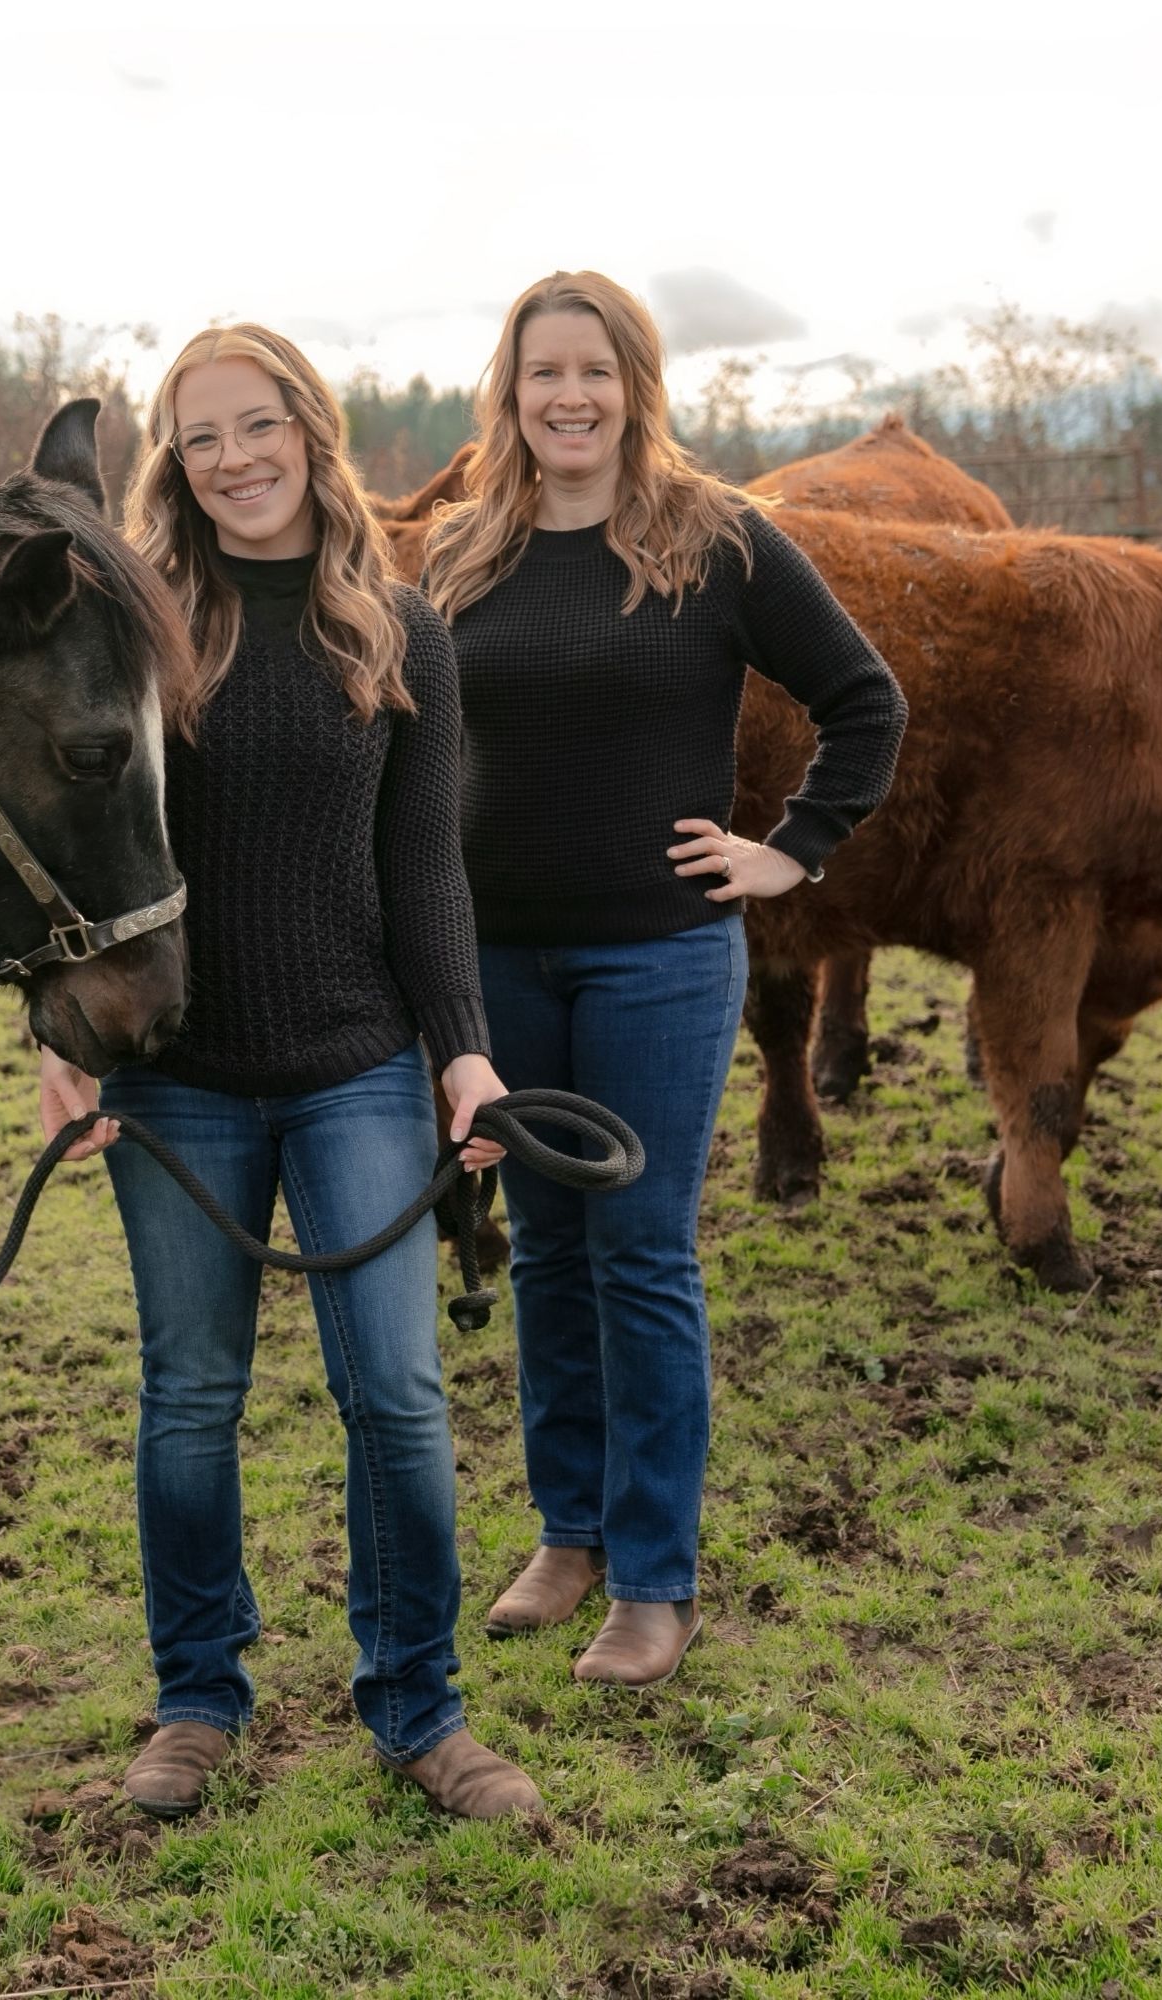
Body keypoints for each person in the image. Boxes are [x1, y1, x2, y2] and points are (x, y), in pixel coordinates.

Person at [39, 324, 540, 1819]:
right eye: (202, 438)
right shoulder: (128, 629)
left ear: (308, 433)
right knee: (188, 1395)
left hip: (354, 1068)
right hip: (175, 1072)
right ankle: (196, 1697)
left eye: (257, 427)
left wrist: (461, 1056)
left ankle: (420, 1707)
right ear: (172, 465)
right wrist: (60, 1044)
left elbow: (424, 876)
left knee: (391, 1393)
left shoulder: (396, 631)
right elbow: (58, 849)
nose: (234, 459)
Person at [426, 272, 907, 1686]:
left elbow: (862, 700)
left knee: (636, 1256)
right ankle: (566, 1534)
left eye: (594, 369)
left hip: (655, 958)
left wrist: (790, 851)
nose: (566, 395)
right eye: (540, 373)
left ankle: (652, 1574)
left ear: (636, 383)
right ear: (507, 395)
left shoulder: (717, 542)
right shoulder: (461, 555)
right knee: (545, 1256)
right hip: (498, 962)